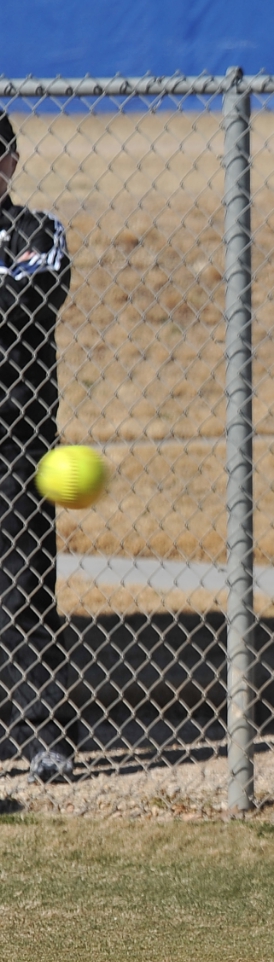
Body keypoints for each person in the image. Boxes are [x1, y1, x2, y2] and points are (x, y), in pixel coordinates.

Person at [0, 110, 76, 784]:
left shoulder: (38, 230)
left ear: (10, 162)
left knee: (24, 589)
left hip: (19, 443)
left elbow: (32, 302)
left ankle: (43, 730)